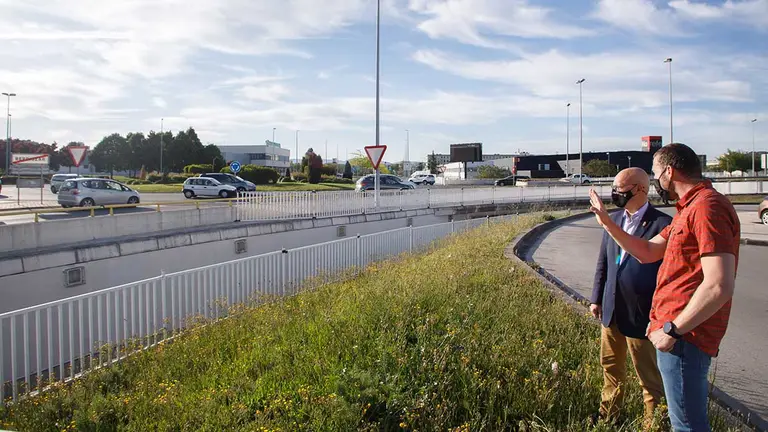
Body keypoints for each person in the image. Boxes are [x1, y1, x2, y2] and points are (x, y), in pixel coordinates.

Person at [589, 143, 740, 432]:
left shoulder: (708, 207)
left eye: (657, 173)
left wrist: (673, 329)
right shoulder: (689, 210)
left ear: (669, 172)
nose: (657, 180)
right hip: (673, 333)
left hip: (685, 336)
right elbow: (646, 251)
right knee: (681, 422)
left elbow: (719, 283)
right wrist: (607, 223)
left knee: (687, 425)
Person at [590, 168, 671, 427]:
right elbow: (604, 262)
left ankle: (652, 423)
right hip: (612, 309)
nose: (616, 194)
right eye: (614, 189)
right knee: (611, 369)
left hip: (642, 314)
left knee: (648, 377)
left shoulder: (663, 225)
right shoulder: (613, 219)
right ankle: (608, 416)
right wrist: (596, 297)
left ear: (640, 189)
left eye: (621, 190)